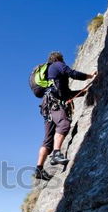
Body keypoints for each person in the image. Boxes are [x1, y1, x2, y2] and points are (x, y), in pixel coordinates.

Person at [34, 51, 96, 180]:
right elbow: (72, 73)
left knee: (48, 139)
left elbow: (67, 94)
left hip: (47, 106)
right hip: (54, 103)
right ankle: (56, 154)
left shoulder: (51, 78)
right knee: (64, 124)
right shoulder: (57, 65)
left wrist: (83, 92)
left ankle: (38, 170)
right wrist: (90, 76)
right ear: (59, 59)